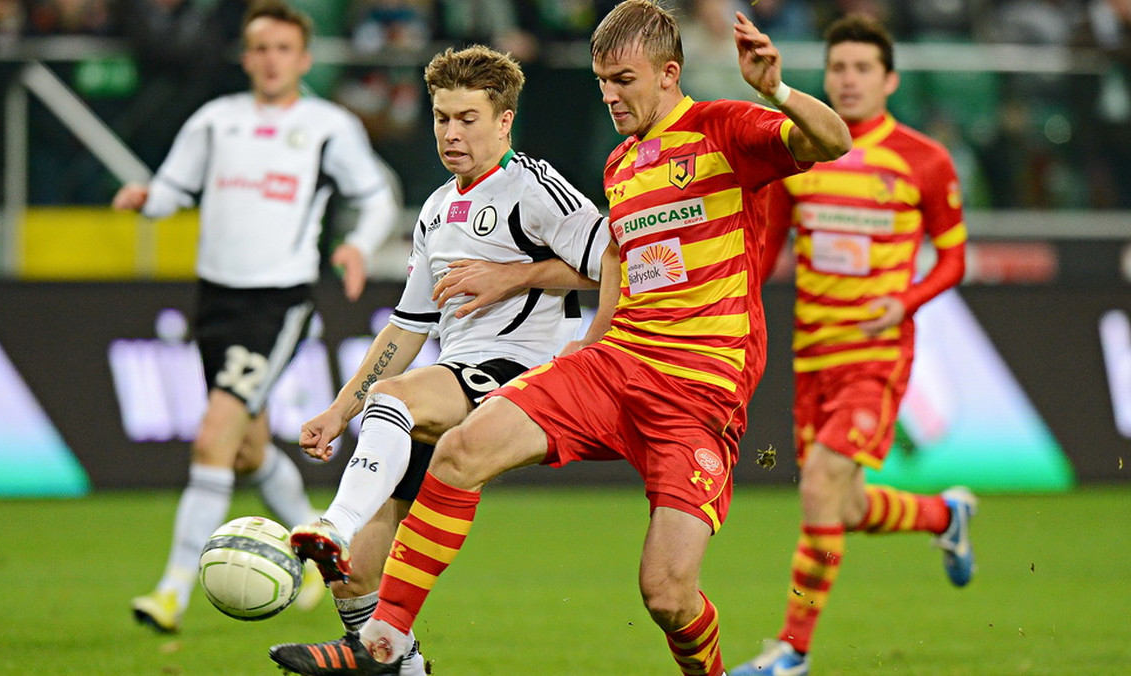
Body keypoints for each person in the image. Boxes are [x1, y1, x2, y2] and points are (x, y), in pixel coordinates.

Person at [269, 2, 851, 674]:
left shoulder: (724, 129)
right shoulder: (622, 165)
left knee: (666, 593)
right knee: (460, 450)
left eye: (623, 79)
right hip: (616, 363)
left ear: (669, 74)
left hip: (700, 391)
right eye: (601, 79)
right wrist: (595, 339)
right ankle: (385, 645)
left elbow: (832, 142)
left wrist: (774, 89)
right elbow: (616, 261)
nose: (609, 94)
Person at [274, 43, 608, 676]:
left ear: (504, 120)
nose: (451, 133)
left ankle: (334, 524)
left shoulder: (535, 188)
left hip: (525, 374)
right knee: (355, 579)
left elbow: (616, 261)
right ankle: (396, 660)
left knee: (396, 402)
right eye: (441, 118)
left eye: (468, 119)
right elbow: (406, 327)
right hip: (454, 376)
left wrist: (514, 276)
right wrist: (341, 410)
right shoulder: (434, 208)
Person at [111, 0, 401, 634]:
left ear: (303, 58)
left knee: (213, 434)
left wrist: (356, 245)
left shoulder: (327, 125)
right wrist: (147, 200)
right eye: (259, 48)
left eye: (282, 49)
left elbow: (376, 195)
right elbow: (173, 189)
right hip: (214, 300)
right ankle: (318, 550)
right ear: (245, 57)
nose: (270, 60)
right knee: (243, 450)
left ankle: (171, 591)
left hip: (278, 302)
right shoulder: (216, 121)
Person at [729, 14, 976, 676]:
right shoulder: (804, 151)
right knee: (845, 504)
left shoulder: (925, 160)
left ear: (889, 79)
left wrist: (904, 302)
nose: (849, 79)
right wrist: (735, 302)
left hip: (876, 355)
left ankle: (793, 649)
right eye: (838, 67)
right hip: (813, 355)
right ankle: (943, 515)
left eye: (863, 68)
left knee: (818, 488)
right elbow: (769, 245)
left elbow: (954, 261)